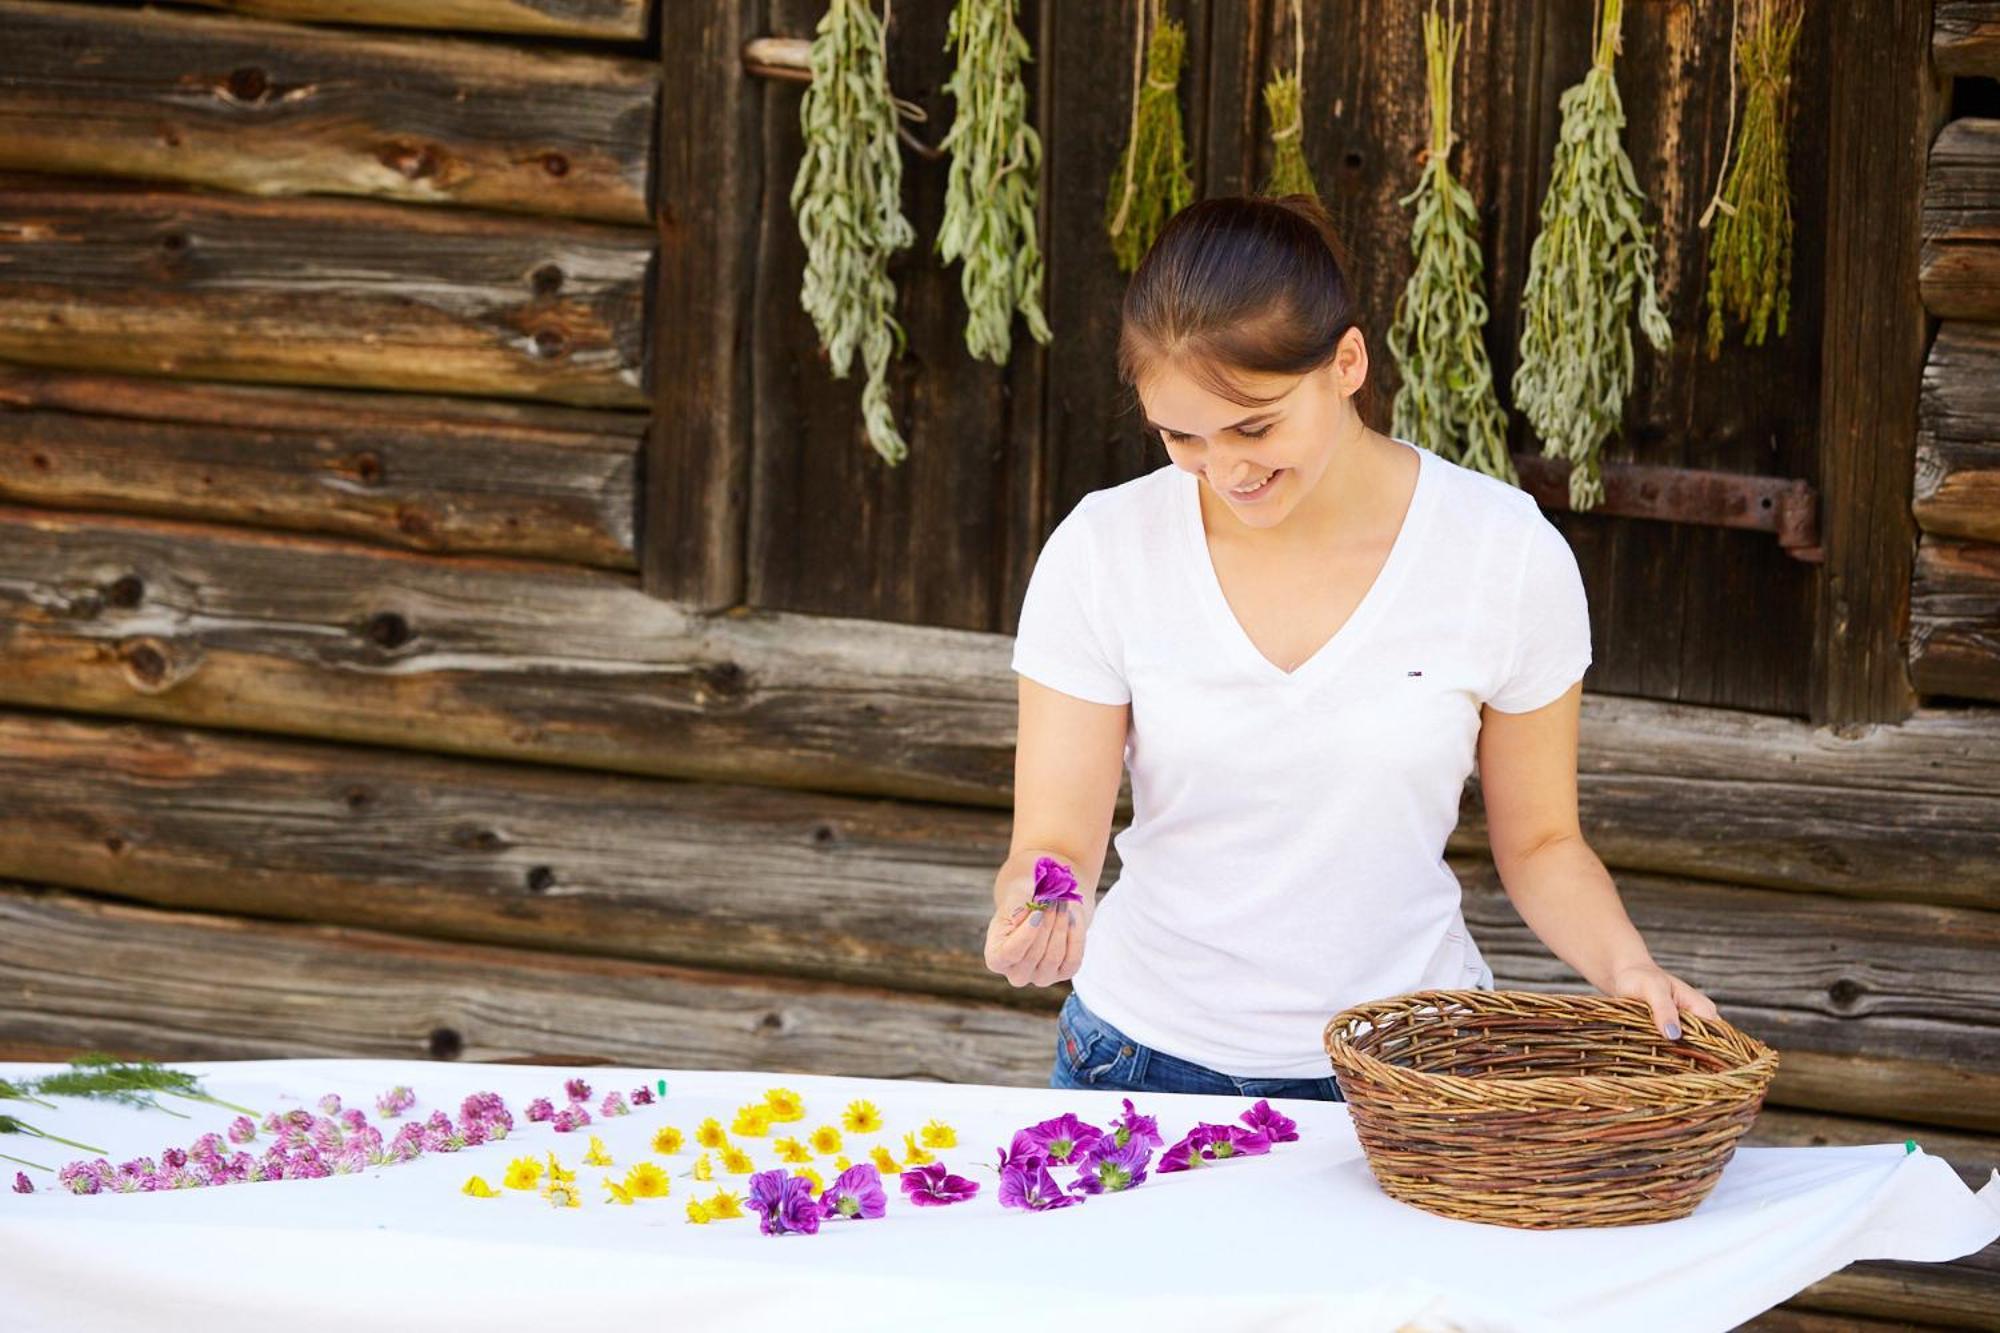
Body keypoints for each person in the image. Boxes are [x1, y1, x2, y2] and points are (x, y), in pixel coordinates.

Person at [984, 194, 1720, 1099]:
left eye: (1254, 426)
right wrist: (1041, 900)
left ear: (1347, 362)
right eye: (1182, 436)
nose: (1226, 471)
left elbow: (1542, 842)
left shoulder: (1503, 552)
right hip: (1138, 1061)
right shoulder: (1103, 550)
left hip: (1411, 1071)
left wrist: (1625, 968)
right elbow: (1057, 837)